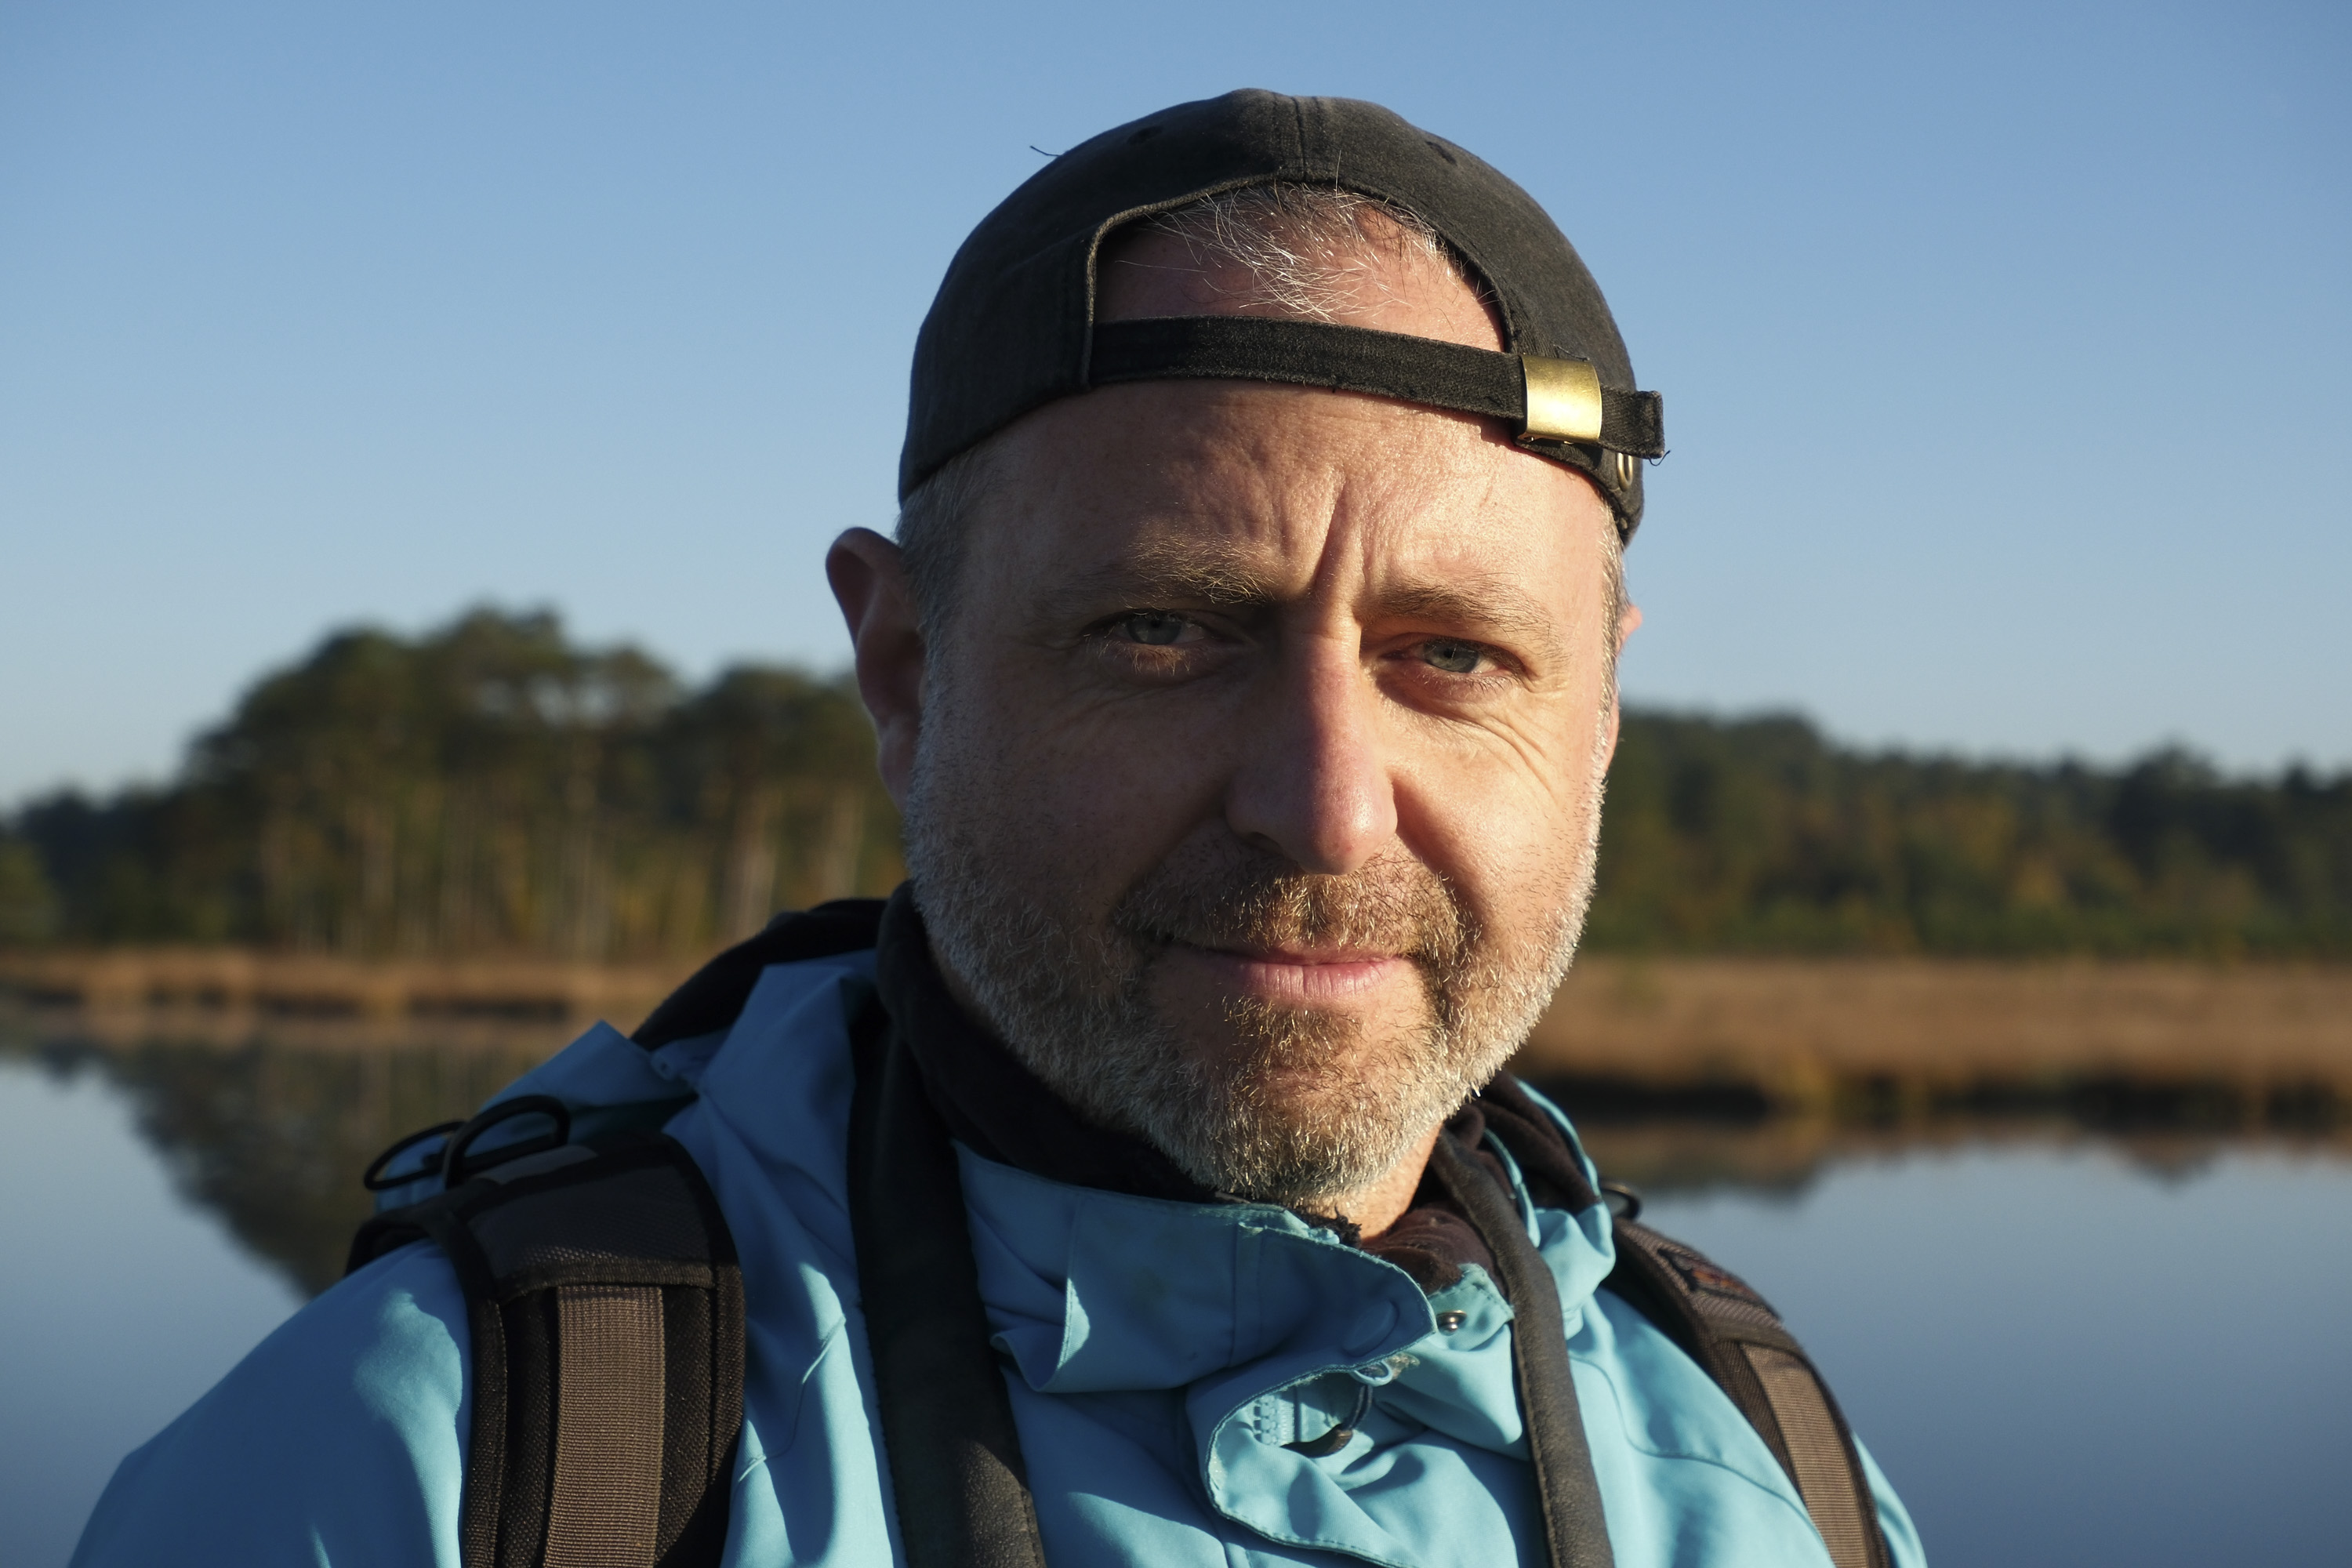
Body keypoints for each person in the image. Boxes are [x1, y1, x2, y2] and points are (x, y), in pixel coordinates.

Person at [72, 90, 1925, 1568]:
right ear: (903, 668)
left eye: (1454, 656)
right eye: (1167, 630)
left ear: (1597, 711)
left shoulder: (1765, 1459)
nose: (1324, 799)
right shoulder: (447, 1468)